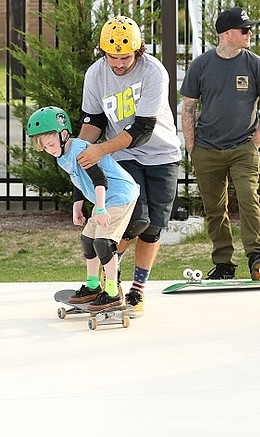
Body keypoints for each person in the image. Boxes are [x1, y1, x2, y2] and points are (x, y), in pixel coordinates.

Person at [77, 16, 182, 317]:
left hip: (161, 154)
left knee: (153, 228)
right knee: (135, 218)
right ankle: (109, 281)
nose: (119, 64)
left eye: (125, 58)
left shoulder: (154, 72)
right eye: (113, 57)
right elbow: (94, 121)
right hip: (123, 156)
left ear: (138, 51)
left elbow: (141, 130)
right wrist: (80, 156)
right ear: (103, 52)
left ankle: (137, 290)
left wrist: (99, 151)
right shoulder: (96, 74)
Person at [180, 6, 260, 280]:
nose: (250, 33)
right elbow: (188, 108)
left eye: (250, 29)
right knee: (215, 209)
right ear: (226, 34)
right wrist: (192, 147)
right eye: (244, 29)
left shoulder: (256, 64)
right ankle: (224, 264)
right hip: (207, 150)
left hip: (243, 150)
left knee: (249, 200)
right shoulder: (201, 65)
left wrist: (254, 142)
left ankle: (257, 259)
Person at [27, 106, 139, 311]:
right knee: (88, 240)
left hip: (119, 196)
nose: (50, 150)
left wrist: (100, 208)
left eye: (51, 144)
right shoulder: (62, 156)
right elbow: (79, 180)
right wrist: (77, 207)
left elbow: (99, 179)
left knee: (104, 243)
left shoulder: (79, 151)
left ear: (63, 134)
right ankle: (93, 286)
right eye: (45, 148)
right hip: (104, 199)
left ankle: (113, 292)